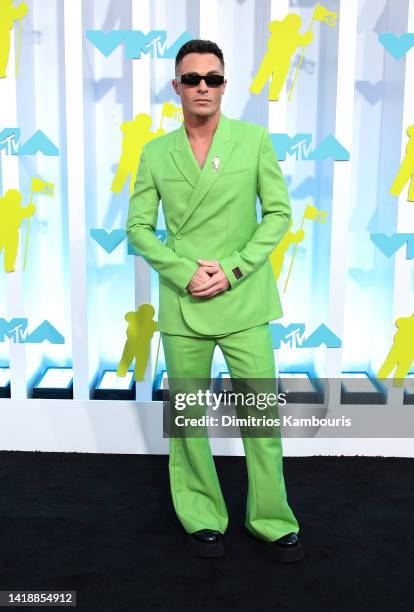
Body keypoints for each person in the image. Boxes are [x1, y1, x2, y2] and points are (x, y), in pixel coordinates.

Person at [126, 39, 303, 562]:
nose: (203, 87)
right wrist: (185, 273)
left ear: (225, 85)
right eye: (192, 78)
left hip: (244, 298)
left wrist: (232, 269)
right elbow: (138, 228)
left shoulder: (253, 140)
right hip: (185, 302)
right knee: (187, 421)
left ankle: (271, 519)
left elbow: (277, 214)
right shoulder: (155, 152)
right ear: (176, 86)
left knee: (262, 419)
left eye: (213, 78)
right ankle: (202, 516)